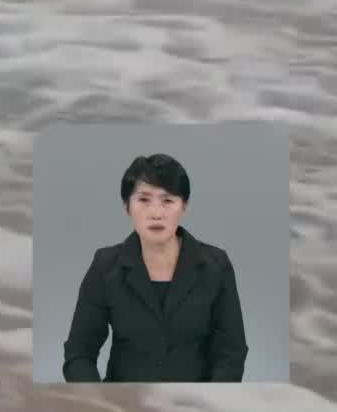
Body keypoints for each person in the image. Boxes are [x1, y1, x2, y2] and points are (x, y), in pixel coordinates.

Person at [62, 154, 248, 382]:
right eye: (144, 200)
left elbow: (231, 352)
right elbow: (79, 352)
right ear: (126, 206)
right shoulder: (105, 265)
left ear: (184, 206)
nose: (156, 213)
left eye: (167, 201)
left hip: (196, 406)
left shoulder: (215, 266)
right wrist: (101, 403)